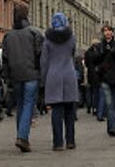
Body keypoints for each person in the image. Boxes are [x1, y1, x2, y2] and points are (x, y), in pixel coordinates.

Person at [1, 5, 43, 153]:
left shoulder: (8, 36)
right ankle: (22, 137)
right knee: (28, 105)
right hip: (31, 74)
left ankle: (21, 137)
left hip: (15, 76)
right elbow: (39, 55)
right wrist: (40, 73)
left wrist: (7, 77)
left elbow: (5, 59)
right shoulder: (33, 33)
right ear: (27, 16)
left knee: (20, 106)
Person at [41, 13, 79, 151]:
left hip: (53, 76)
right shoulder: (72, 38)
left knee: (56, 111)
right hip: (69, 75)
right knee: (70, 111)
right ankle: (70, 141)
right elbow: (73, 54)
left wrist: (43, 80)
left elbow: (44, 62)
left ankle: (58, 143)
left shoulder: (47, 40)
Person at [92, 25, 115, 136]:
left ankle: (111, 126)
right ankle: (113, 128)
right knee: (109, 103)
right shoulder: (99, 46)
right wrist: (103, 53)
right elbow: (94, 59)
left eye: (109, 31)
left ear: (112, 33)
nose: (107, 33)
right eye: (105, 31)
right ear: (103, 33)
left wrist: (113, 52)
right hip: (104, 78)